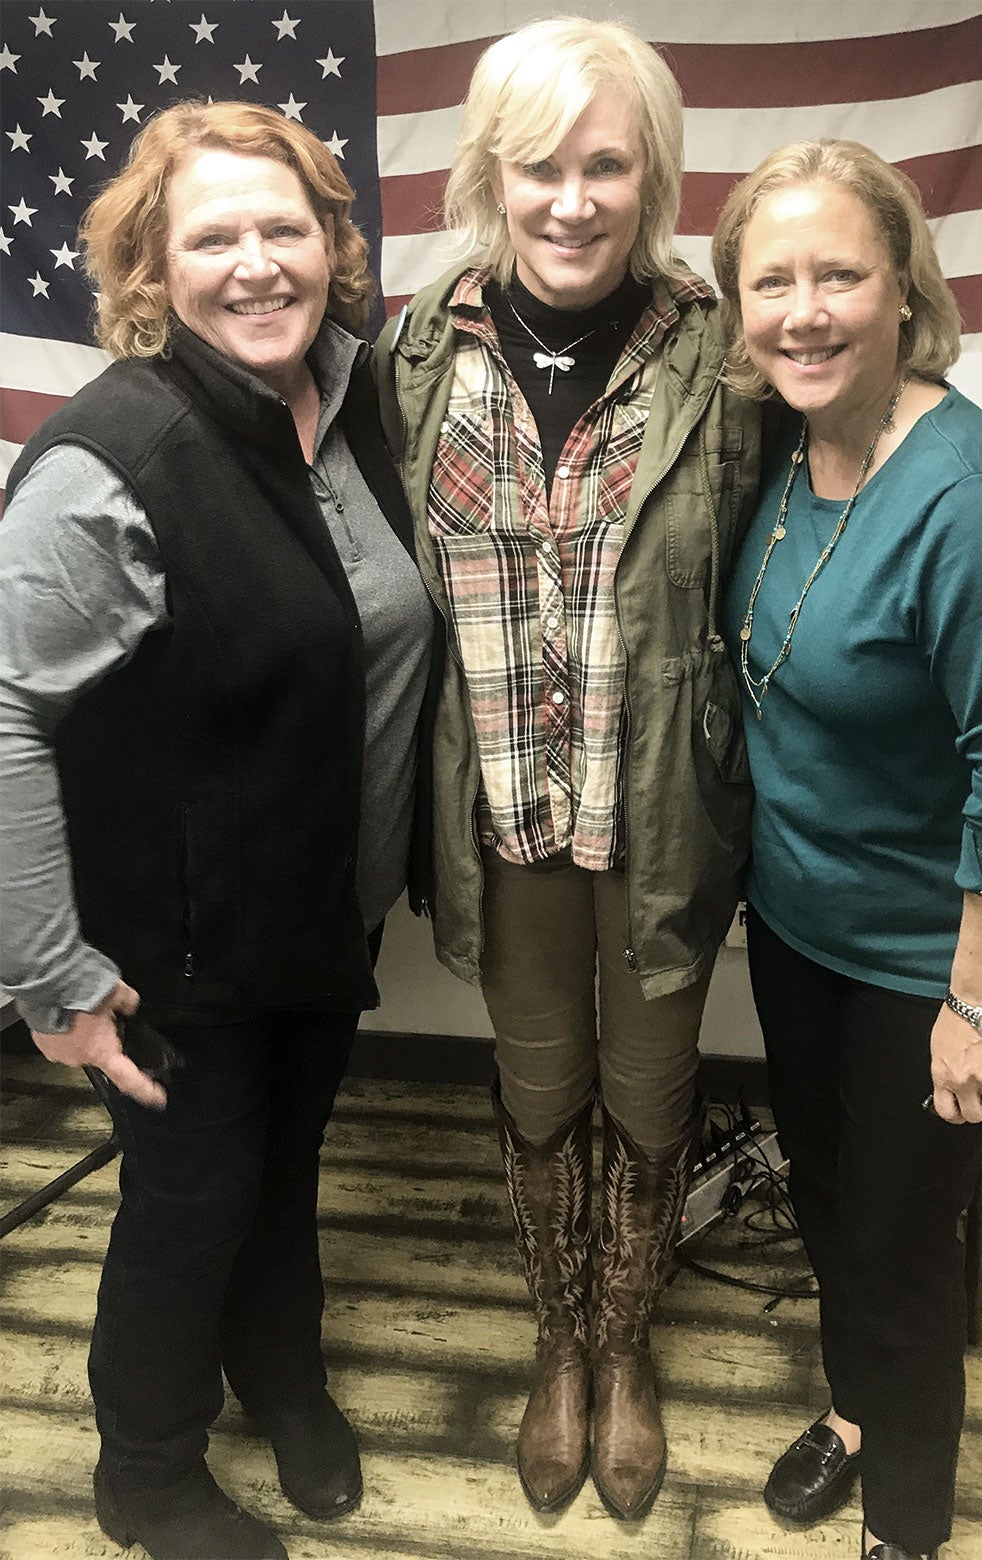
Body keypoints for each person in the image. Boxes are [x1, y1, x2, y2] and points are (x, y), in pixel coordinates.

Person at [0, 102, 433, 1560]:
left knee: (285, 1166)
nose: (256, 266)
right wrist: (51, 978)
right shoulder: (111, 458)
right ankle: (147, 1472)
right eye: (212, 238)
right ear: (149, 269)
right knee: (190, 1204)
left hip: (318, 911)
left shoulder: (355, 395)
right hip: (169, 956)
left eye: (283, 228)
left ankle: (285, 1378)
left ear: (332, 244)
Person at [372, 16, 760, 1523]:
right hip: (504, 808)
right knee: (539, 1076)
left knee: (653, 1086)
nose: (573, 199)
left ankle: (628, 1345)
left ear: (653, 174)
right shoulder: (417, 348)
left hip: (656, 802)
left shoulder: (723, 350)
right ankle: (559, 1342)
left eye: (608, 164)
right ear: (492, 171)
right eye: (541, 165)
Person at [712, 139, 982, 1560]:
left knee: (904, 1263)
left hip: (926, 961)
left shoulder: (978, 505)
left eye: (838, 273)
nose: (804, 310)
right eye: (770, 279)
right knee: (837, 1205)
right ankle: (855, 1414)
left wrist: (980, 1008)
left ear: (902, 287)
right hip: (799, 931)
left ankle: (906, 1524)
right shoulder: (792, 444)